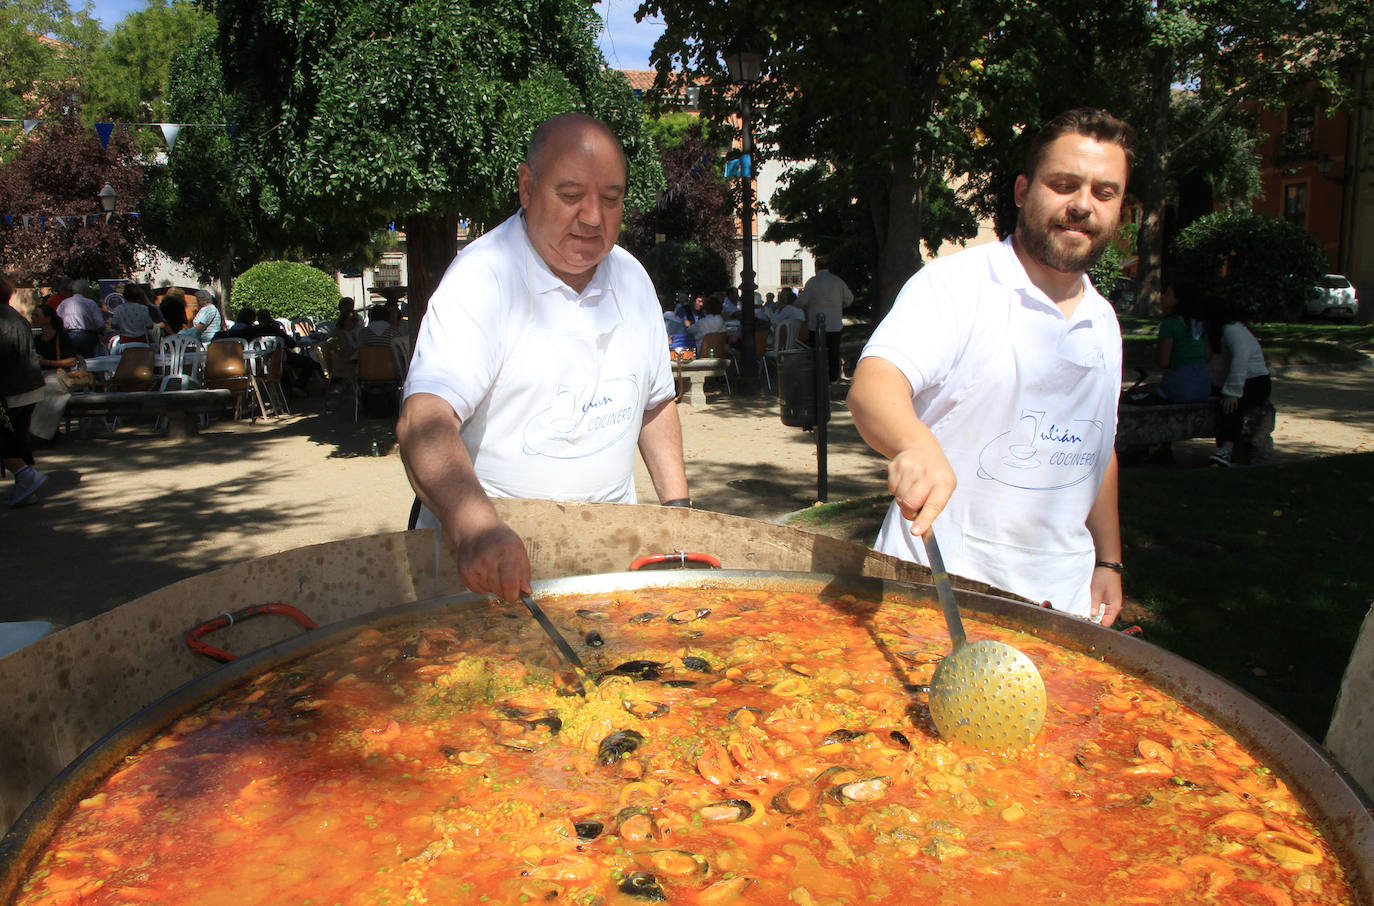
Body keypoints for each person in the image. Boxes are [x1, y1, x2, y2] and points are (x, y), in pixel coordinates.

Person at [848, 108, 1133, 626]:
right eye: (1064, 184)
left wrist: (1108, 558)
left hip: (1065, 601)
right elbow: (873, 386)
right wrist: (916, 444)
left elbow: (1097, 444)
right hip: (936, 593)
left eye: (1103, 192)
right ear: (1024, 190)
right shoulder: (956, 285)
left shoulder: (1104, 320)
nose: (1082, 206)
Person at [398, 111, 689, 603]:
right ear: (527, 187)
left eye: (611, 199)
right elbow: (422, 421)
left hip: (610, 557)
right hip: (491, 564)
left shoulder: (633, 278)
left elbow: (656, 405)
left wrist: (680, 516)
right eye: (571, 195)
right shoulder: (483, 278)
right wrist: (476, 528)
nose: (593, 217)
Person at [0, 275, 47, 505]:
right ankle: (27, 487)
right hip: (29, 385)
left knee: (7, 439)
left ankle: (25, 477)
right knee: (19, 438)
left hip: (12, 388)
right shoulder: (15, 317)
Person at [1205, 301, 1270, 467]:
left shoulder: (1232, 330)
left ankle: (1226, 449)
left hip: (1255, 381)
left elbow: (1240, 359)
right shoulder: (1221, 332)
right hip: (1239, 380)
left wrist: (1232, 392)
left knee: (1231, 406)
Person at [1154, 277, 1211, 404]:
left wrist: (1155, 351)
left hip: (1180, 386)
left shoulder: (1170, 324)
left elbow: (1163, 361)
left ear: (1178, 299)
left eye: (1168, 294)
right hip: (1204, 386)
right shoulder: (1200, 324)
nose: (1162, 296)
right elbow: (1207, 356)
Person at [799, 260, 854, 383]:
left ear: (816, 267)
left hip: (816, 324)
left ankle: (818, 377)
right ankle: (833, 378)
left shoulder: (812, 282)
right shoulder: (837, 281)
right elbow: (849, 298)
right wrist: (840, 305)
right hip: (834, 323)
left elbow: (802, 301)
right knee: (834, 352)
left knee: (817, 352)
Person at [56, 279, 105, 357]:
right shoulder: (90, 303)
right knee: (90, 362)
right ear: (84, 290)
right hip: (88, 336)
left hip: (69, 335)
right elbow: (100, 324)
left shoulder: (64, 303)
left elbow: (57, 319)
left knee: (72, 361)